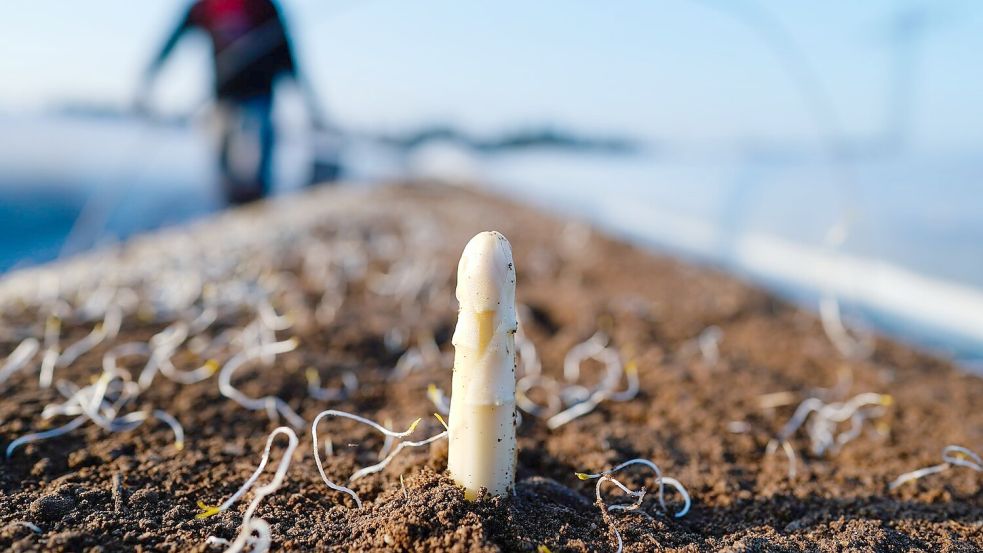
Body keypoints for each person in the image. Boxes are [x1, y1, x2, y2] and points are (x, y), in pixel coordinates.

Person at [138, 0, 323, 204]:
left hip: (258, 97)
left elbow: (288, 57)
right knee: (224, 172)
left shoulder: (265, 7)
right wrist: (150, 77)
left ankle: (258, 206)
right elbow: (173, 39)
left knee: (256, 166)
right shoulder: (206, 7)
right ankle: (230, 210)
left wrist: (308, 103)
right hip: (222, 98)